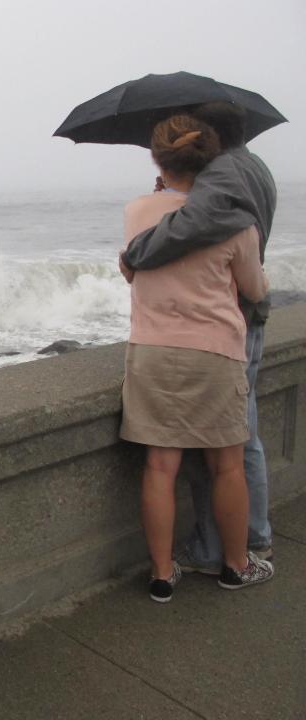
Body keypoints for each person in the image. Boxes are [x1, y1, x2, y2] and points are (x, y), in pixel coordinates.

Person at [120, 114, 274, 603]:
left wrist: (159, 190)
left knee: (160, 468)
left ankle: (162, 576)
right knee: (227, 467)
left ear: (156, 158)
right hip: (216, 353)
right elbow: (255, 289)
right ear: (213, 160)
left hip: (153, 352)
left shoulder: (137, 211)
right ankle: (235, 565)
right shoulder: (235, 219)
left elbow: (133, 274)